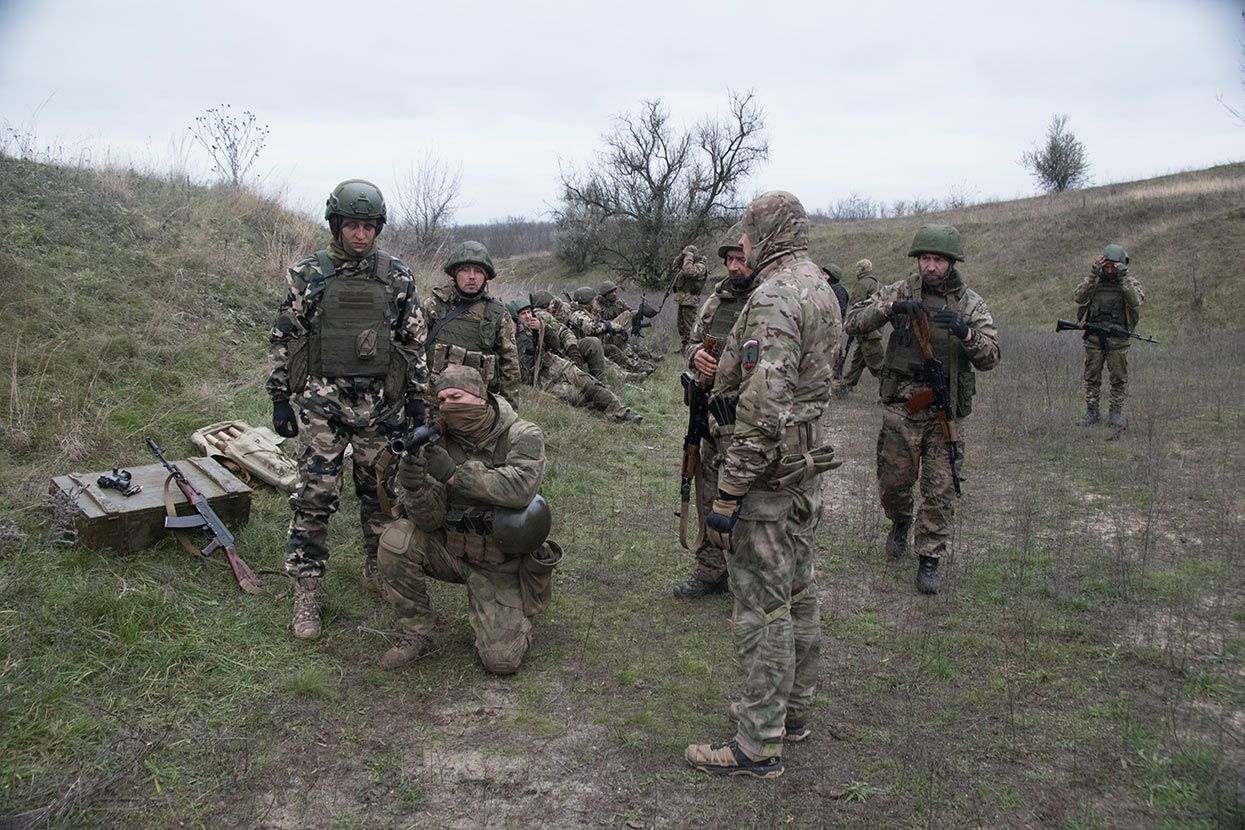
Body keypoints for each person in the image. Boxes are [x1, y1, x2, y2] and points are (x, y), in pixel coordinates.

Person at [684, 191, 840, 780]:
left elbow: (763, 406)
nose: (741, 242)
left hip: (768, 476)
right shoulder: (819, 286)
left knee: (763, 608)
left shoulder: (775, 295)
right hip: (803, 467)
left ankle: (758, 743)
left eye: (748, 230)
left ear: (767, 231)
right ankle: (790, 712)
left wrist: (728, 492)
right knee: (800, 592)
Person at [267, 178, 429, 640]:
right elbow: (286, 338)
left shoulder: (396, 275)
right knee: (315, 496)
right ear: (337, 225)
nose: (360, 235)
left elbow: (411, 341)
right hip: (323, 405)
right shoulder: (308, 273)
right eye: (352, 225)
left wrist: (416, 396)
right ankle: (307, 588)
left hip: (380, 406)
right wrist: (280, 396)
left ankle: (377, 569)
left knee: (380, 494)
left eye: (368, 226)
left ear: (378, 229)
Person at [843, 225, 1000, 594]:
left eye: (938, 260)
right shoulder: (899, 290)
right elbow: (852, 322)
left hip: (945, 412)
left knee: (940, 488)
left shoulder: (969, 304)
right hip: (902, 406)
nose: (930, 267)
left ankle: (929, 557)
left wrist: (966, 333)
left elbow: (991, 357)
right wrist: (890, 309)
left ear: (951, 263)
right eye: (925, 259)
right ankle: (900, 520)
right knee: (894, 482)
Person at [377, 365, 562, 673]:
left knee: (501, 662)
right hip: (454, 549)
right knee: (397, 541)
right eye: (443, 399)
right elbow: (430, 520)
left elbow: (519, 490)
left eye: (457, 396)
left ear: (479, 398)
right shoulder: (437, 441)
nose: (450, 405)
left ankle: (516, 617)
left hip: (503, 562)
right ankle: (417, 634)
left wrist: (453, 475)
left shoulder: (522, 434)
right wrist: (415, 487)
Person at [672, 222, 757, 599]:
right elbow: (690, 343)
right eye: (730, 260)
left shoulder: (766, 302)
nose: (735, 267)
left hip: (748, 417)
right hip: (710, 416)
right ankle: (710, 572)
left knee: (748, 499)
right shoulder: (715, 302)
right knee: (707, 490)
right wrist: (698, 356)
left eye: (741, 259)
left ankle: (750, 577)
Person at [509, 297, 643, 424]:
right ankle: (601, 410)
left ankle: (623, 413)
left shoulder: (536, 326)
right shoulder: (508, 339)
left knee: (590, 384)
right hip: (542, 380)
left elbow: (555, 344)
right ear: (515, 318)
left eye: (528, 312)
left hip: (557, 364)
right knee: (575, 397)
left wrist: (543, 329)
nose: (527, 316)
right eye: (523, 314)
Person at [423, 241, 520, 401]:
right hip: (433, 402)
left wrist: (507, 414)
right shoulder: (433, 306)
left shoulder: (497, 314)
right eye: (465, 270)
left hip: (476, 409)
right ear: (454, 272)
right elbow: (413, 352)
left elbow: (510, 369)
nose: (472, 276)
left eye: (478, 271)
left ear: (486, 276)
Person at [1073, 244, 1144, 432]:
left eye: (1115, 266)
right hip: (1094, 338)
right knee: (1091, 376)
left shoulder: (1129, 283)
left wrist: (1123, 280)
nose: (1110, 270)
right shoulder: (1094, 281)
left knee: (1118, 377)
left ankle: (1116, 413)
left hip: (1118, 339)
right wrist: (1092, 276)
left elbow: (1135, 302)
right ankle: (1092, 411)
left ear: (1122, 265)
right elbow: (1079, 297)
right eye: (1107, 266)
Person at [835, 258, 885, 397]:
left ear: (861, 269)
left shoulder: (862, 284)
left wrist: (852, 326)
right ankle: (845, 386)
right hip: (873, 329)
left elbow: (856, 306)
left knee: (878, 367)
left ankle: (889, 394)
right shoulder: (876, 283)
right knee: (857, 362)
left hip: (866, 330)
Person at [671, 244, 709, 347]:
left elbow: (688, 271)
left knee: (690, 326)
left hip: (690, 300)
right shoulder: (687, 263)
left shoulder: (701, 266)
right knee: (681, 326)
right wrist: (681, 256)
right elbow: (674, 267)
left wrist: (689, 256)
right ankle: (684, 346)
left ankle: (692, 347)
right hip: (683, 299)